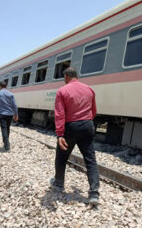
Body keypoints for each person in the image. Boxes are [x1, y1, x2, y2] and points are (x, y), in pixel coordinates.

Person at [50, 67, 100, 206]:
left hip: (71, 127)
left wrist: (60, 134)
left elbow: (60, 114)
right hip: (88, 125)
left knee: (61, 156)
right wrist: (85, 121)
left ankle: (59, 184)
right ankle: (94, 193)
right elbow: (94, 110)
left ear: (66, 76)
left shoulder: (62, 91)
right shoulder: (89, 89)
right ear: (76, 76)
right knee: (90, 160)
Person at [0, 81, 18, 151]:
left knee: (4, 129)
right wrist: (16, 115)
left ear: (0, 86)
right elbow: (15, 105)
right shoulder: (11, 94)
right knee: (7, 128)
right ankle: (6, 142)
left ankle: (7, 146)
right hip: (10, 114)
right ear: (6, 86)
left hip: (2, 114)